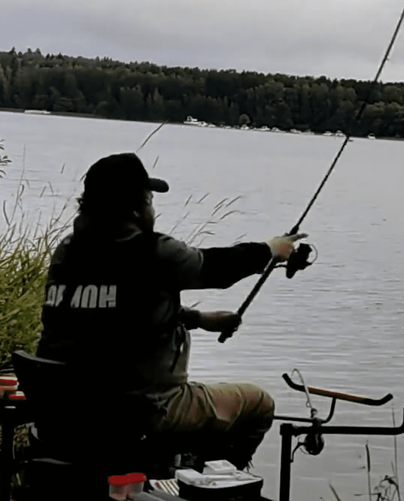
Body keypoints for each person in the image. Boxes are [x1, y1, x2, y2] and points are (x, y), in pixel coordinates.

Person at [35, 152, 300, 468]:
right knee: (258, 403)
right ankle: (207, 487)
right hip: (141, 412)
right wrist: (271, 250)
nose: (152, 208)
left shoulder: (68, 250)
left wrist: (198, 319)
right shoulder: (152, 251)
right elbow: (216, 269)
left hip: (67, 409)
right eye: (149, 200)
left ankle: (177, 472)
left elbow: (112, 314)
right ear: (134, 208)